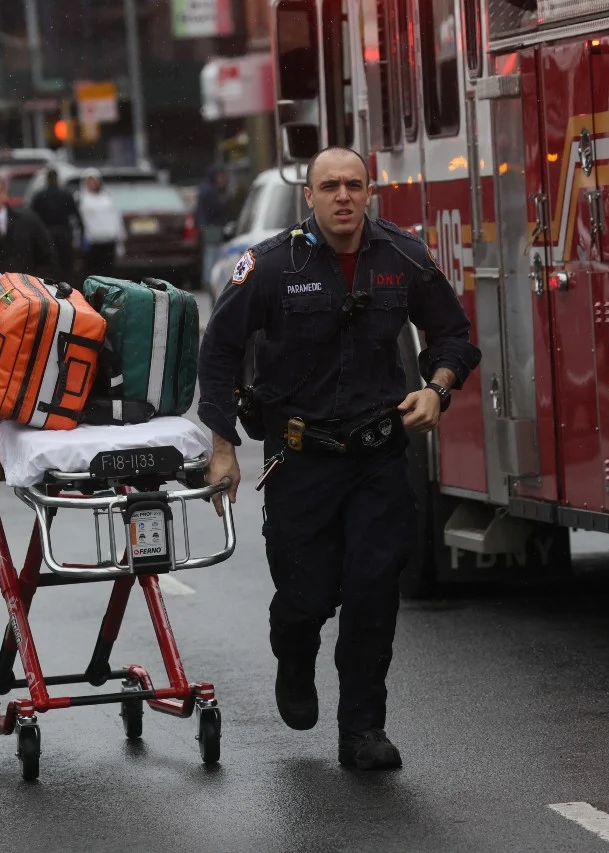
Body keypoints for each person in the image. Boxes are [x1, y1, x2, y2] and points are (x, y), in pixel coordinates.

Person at [196, 146, 481, 771]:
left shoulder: (402, 255)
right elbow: (218, 351)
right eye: (330, 186)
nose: (343, 196)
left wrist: (437, 389)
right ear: (310, 195)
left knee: (373, 594)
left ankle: (362, 731)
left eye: (354, 185)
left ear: (371, 191)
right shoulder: (270, 266)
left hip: (379, 457)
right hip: (301, 462)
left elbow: (455, 336)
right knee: (306, 597)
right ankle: (294, 657)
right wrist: (223, 449)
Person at [30, 167, 80, 282]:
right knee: (66, 264)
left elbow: (33, 217)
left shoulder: (40, 196)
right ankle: (67, 285)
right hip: (64, 233)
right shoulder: (66, 195)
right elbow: (76, 215)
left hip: (47, 233)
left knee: (50, 264)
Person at [76, 168, 125, 278]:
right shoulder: (81, 198)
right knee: (93, 272)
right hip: (92, 243)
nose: (91, 184)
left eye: (94, 181)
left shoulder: (107, 198)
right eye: (88, 181)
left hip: (108, 241)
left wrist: (120, 239)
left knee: (108, 272)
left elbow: (116, 218)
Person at [195, 166, 229, 287]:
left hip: (207, 225)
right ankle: (211, 279)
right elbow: (217, 207)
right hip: (212, 226)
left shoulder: (205, 188)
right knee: (213, 253)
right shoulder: (212, 190)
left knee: (210, 252)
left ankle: (208, 279)